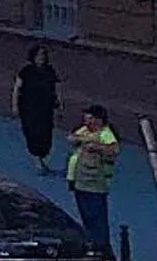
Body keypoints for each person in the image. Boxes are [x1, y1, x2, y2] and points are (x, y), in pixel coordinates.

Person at [66, 102, 122, 249]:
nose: (86, 120)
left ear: (98, 120)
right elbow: (72, 138)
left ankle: (102, 248)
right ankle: (91, 243)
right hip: (80, 182)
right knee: (86, 217)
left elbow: (113, 150)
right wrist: (84, 139)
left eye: (89, 118)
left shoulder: (105, 134)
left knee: (97, 218)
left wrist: (96, 147)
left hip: (95, 184)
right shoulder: (85, 131)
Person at [13, 45, 60, 174]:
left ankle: (42, 157)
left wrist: (58, 102)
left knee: (46, 133)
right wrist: (15, 105)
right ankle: (37, 161)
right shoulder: (26, 71)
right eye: (38, 55)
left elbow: (56, 88)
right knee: (32, 133)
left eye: (43, 55)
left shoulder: (50, 70)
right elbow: (17, 88)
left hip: (45, 108)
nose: (41, 58)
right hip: (28, 107)